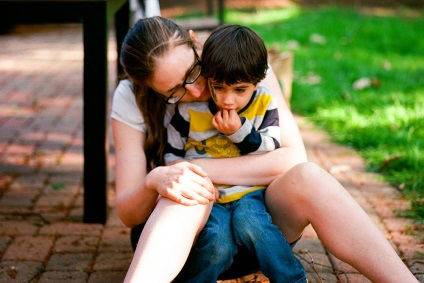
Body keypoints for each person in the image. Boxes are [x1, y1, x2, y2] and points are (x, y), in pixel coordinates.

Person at [111, 16, 418, 282]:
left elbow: (292, 156)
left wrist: (201, 168)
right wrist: (157, 179)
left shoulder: (242, 65)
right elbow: (127, 211)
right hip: (187, 251)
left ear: (194, 42)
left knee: (309, 176)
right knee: (187, 192)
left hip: (260, 233)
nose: (196, 89)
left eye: (193, 71)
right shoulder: (130, 97)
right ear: (149, 88)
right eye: (174, 91)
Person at [164, 24, 306, 282]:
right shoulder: (188, 111)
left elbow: (271, 146)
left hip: (248, 191)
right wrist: (194, 183)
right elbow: (172, 156)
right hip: (208, 196)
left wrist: (239, 132)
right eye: (218, 87)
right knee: (217, 242)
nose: (228, 100)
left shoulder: (264, 102)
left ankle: (293, 279)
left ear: (258, 79)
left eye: (240, 90)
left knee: (254, 226)